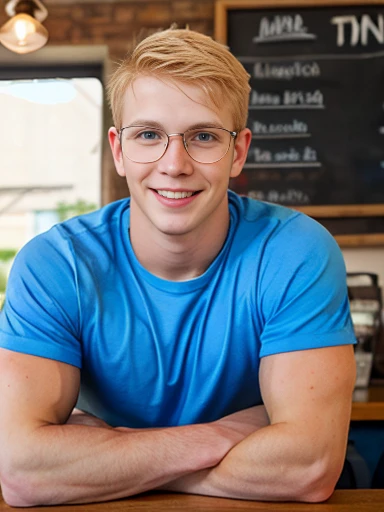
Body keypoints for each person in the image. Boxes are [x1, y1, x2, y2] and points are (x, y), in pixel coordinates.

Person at [0, 27, 356, 506]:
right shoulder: (56, 265)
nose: (174, 164)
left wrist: (108, 453)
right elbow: (22, 472)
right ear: (118, 149)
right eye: (148, 134)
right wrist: (217, 437)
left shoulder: (295, 252)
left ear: (238, 151)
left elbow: (308, 467)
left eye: (204, 136)